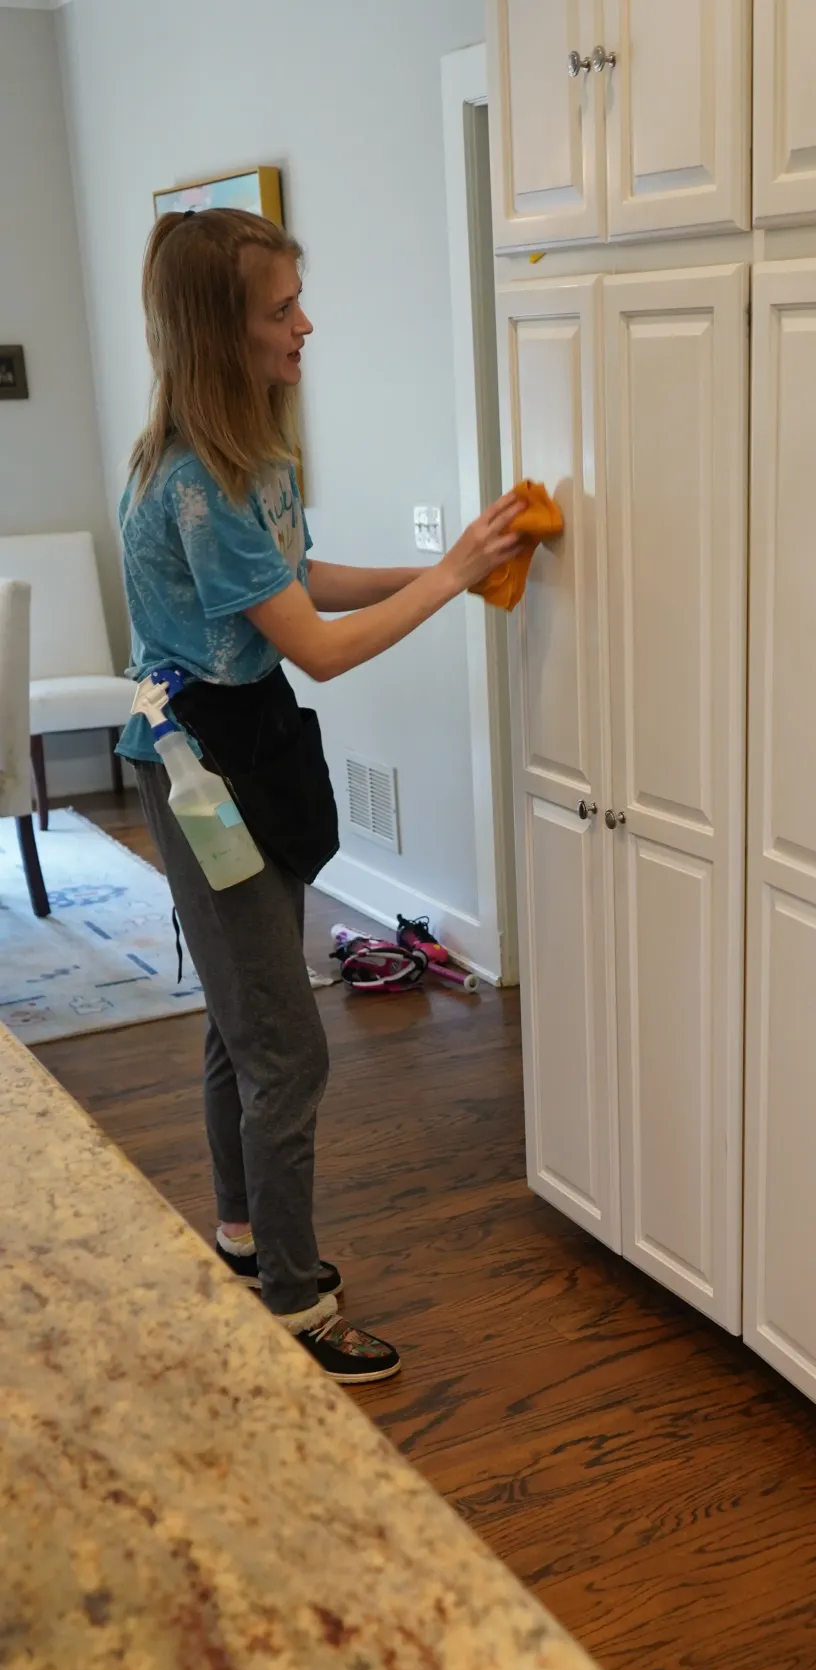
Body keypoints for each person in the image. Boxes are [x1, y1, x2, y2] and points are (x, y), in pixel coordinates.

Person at [115, 207, 525, 1385]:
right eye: (281, 307)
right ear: (221, 331)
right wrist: (453, 577)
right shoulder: (194, 482)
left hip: (248, 745)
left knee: (242, 1018)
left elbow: (302, 581)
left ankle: (245, 1236)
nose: (306, 324)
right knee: (284, 1049)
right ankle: (296, 1298)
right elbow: (322, 648)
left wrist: (452, 567)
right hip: (204, 764)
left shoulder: (251, 459)